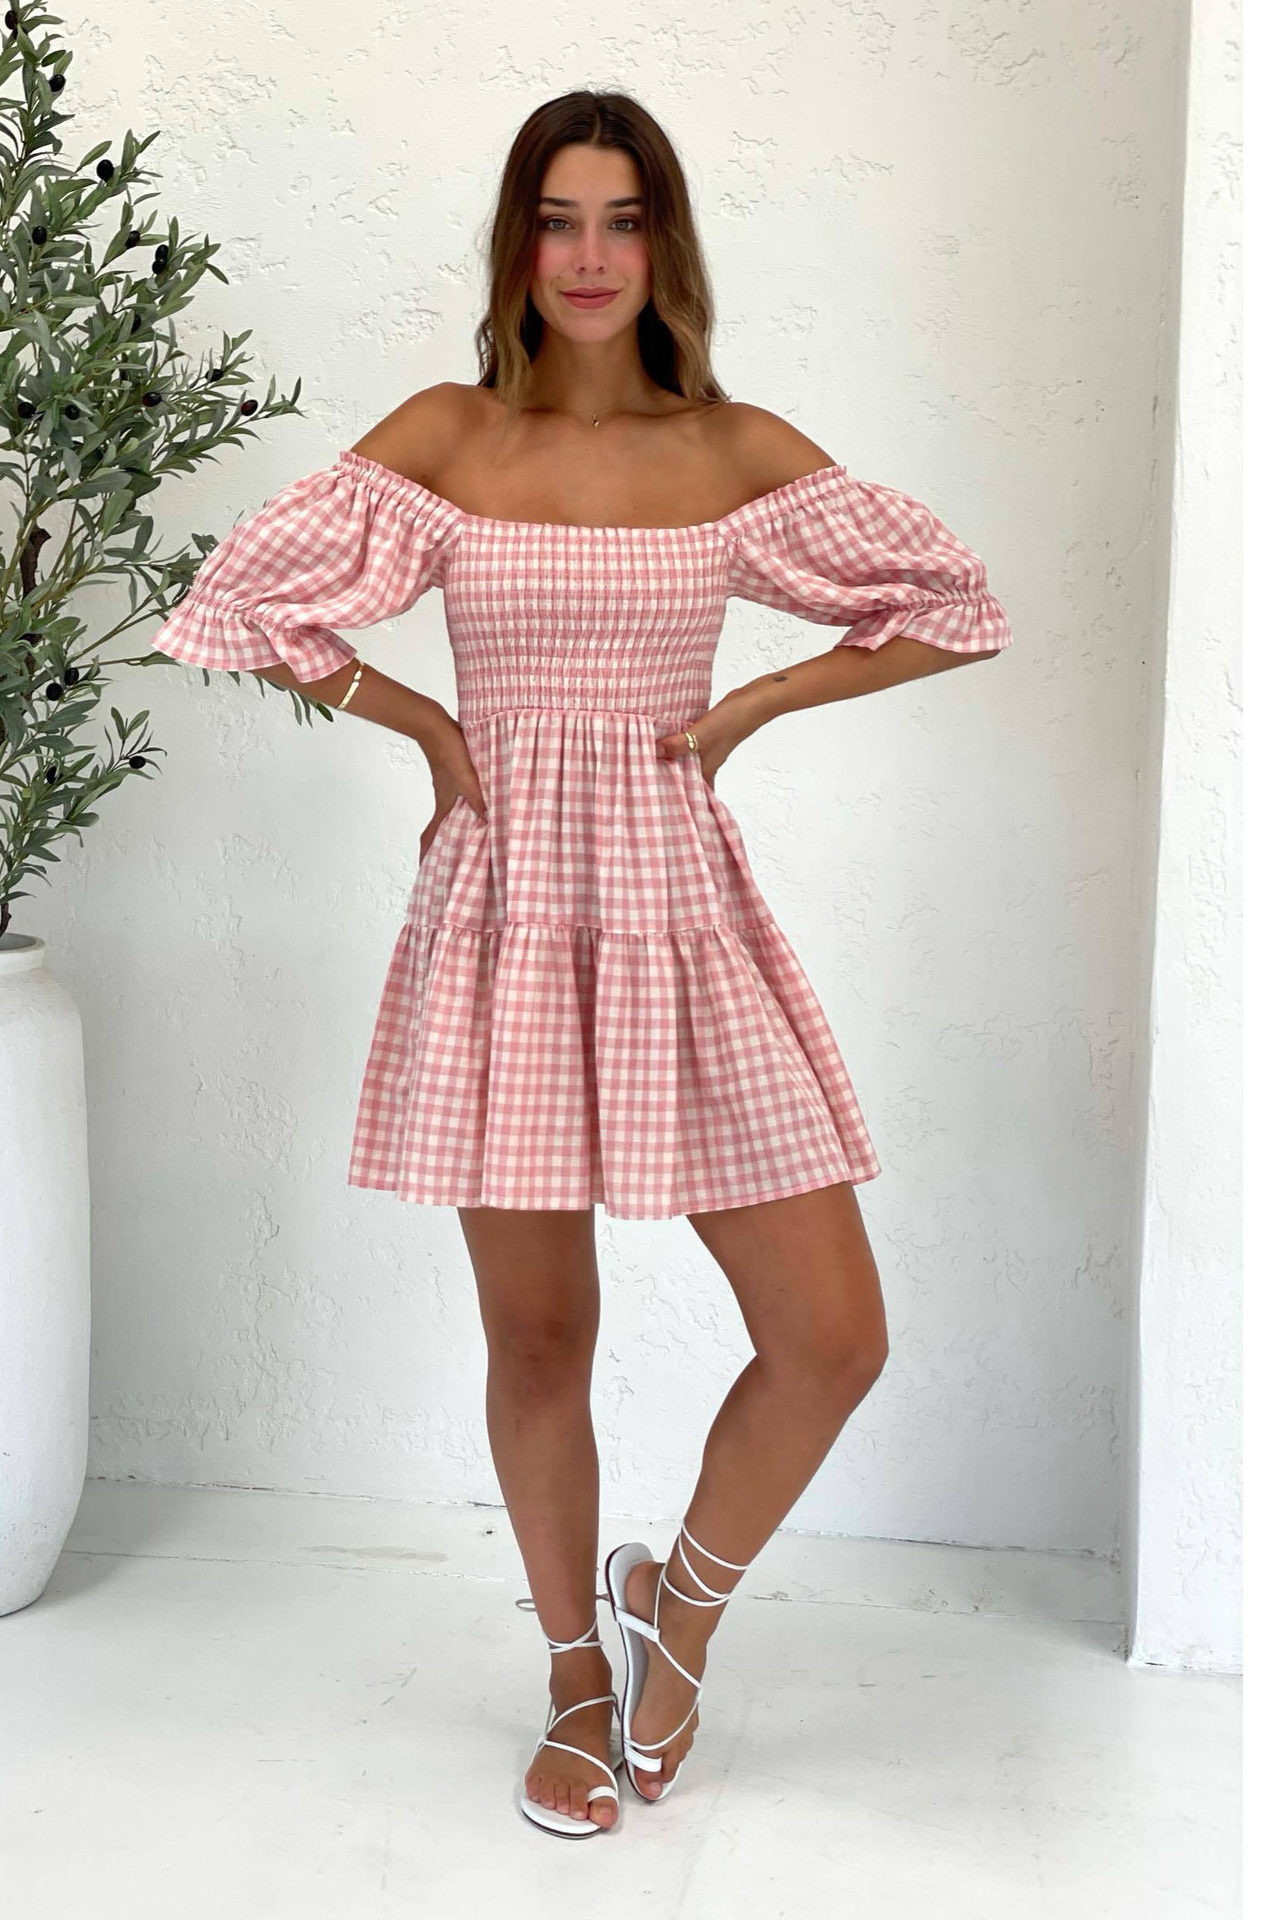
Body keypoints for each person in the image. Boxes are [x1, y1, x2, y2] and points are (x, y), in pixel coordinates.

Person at [150, 90, 1012, 1838]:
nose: (591, 256)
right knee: (540, 1334)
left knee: (832, 1333)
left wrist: (760, 698)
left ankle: (673, 1613)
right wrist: (420, 723)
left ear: (665, 241)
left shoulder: (732, 450)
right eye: (560, 219)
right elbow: (241, 599)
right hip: (505, 917)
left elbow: (952, 601)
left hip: (679, 910)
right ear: (518, 242)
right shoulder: (453, 435)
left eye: (623, 220)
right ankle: (569, 1678)